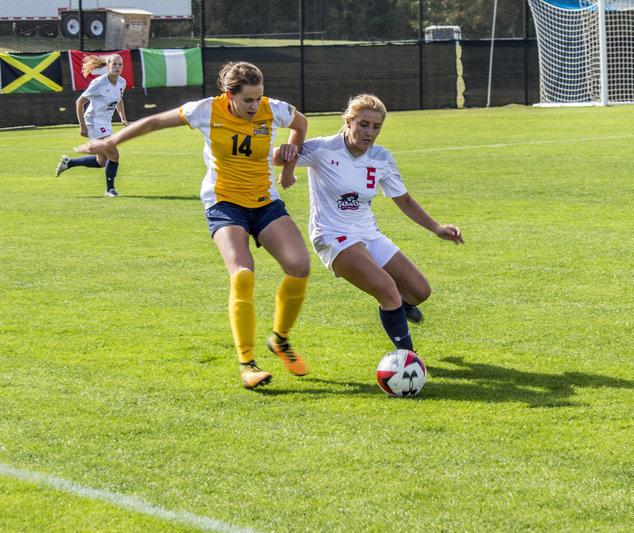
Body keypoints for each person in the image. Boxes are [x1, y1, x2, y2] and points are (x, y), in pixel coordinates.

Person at [76, 61, 311, 389]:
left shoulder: (273, 109)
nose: (255, 106)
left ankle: (280, 341)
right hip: (224, 203)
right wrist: (109, 141)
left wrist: (289, 162)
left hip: (264, 201)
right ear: (229, 95)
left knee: (299, 265)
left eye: (259, 98)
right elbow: (154, 121)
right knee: (243, 274)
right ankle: (248, 364)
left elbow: (301, 124)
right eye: (248, 101)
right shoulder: (206, 110)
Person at [274, 93, 463, 356]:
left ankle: (396, 308)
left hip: (367, 233)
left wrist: (437, 228)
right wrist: (285, 153)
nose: (369, 133)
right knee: (387, 290)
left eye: (376, 127)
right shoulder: (322, 149)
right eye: (363, 124)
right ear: (348, 122)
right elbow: (277, 158)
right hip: (332, 236)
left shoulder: (381, 158)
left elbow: (404, 200)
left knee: (420, 291)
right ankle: (408, 359)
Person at [56, 54, 128, 197]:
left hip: (105, 122)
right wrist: (82, 126)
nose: (117, 67)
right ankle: (110, 190)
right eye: (114, 64)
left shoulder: (122, 82)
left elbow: (119, 100)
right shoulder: (99, 83)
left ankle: (69, 163)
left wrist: (123, 118)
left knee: (101, 161)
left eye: (120, 64)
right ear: (108, 66)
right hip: (94, 121)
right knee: (114, 154)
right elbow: (79, 102)